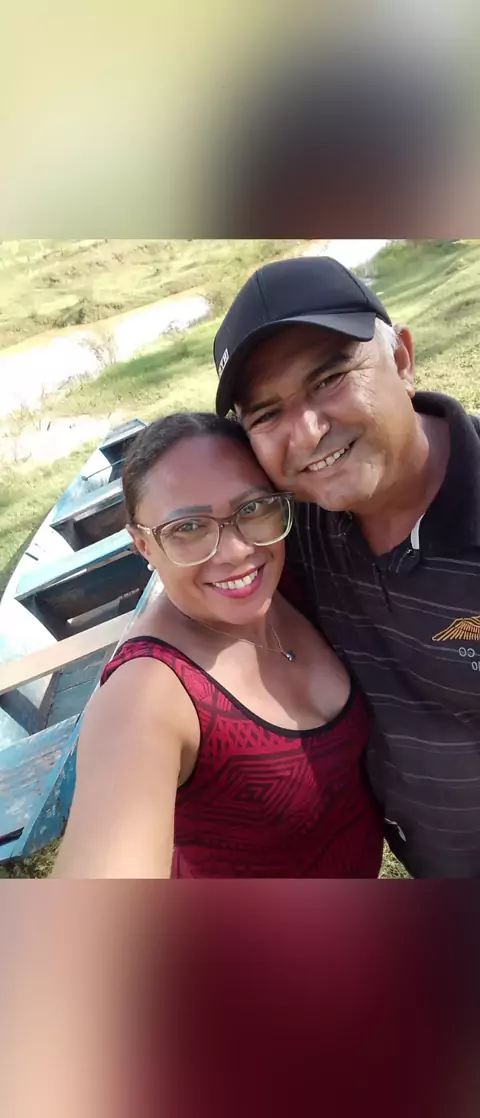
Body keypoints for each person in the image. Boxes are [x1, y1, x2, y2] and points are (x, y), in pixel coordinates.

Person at [213, 254, 480, 879]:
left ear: (402, 360)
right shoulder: (296, 526)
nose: (307, 433)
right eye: (266, 415)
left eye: (330, 378)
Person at [53, 411, 383, 879]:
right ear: (143, 546)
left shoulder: (290, 579)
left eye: (252, 509)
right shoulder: (145, 696)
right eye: (187, 528)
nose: (236, 552)